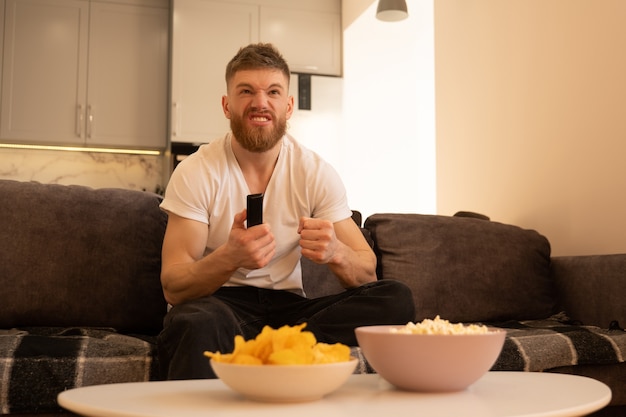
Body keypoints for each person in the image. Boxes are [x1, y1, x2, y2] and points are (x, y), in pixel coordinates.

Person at [157, 43, 415, 379]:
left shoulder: (315, 171)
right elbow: (173, 286)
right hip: (220, 305)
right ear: (226, 105)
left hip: (292, 312)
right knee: (194, 321)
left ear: (289, 105)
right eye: (246, 91)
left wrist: (336, 252)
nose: (260, 102)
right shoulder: (196, 171)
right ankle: (282, 355)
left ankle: (275, 349)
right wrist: (229, 257)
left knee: (397, 298)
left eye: (273, 92)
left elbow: (367, 271)